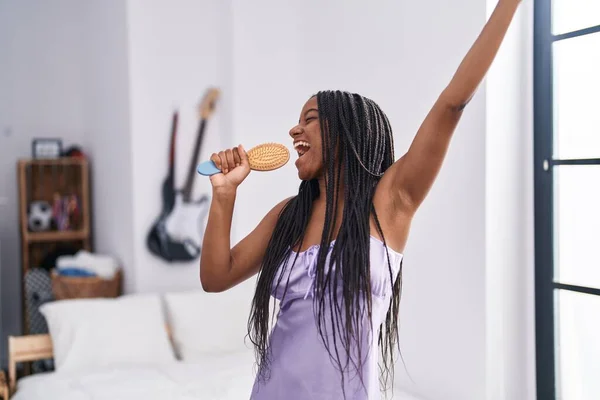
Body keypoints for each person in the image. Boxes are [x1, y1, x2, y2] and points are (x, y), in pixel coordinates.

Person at [200, 0, 523, 398]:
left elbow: (451, 103)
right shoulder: (289, 215)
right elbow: (216, 278)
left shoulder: (390, 202)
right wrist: (225, 195)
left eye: (310, 119)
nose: (294, 129)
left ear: (345, 131)